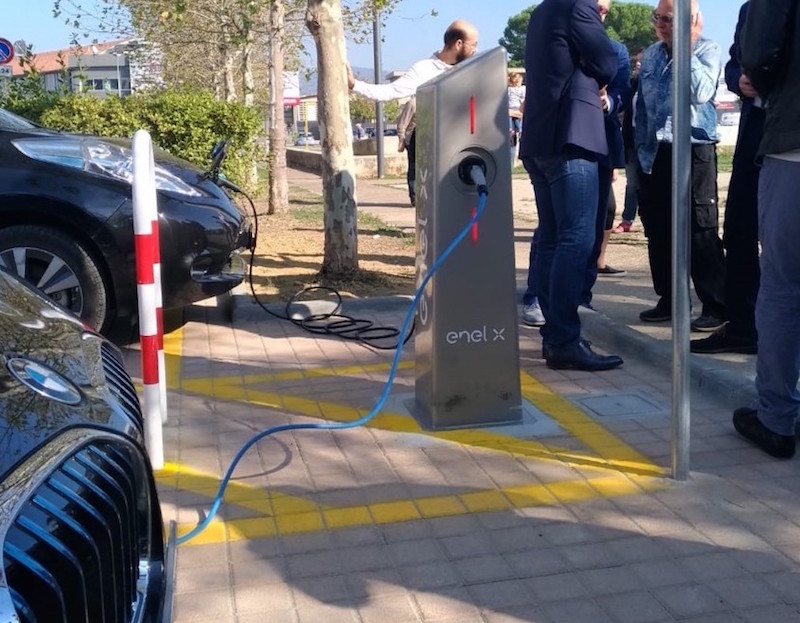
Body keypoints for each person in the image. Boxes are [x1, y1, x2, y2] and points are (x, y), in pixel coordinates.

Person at [519, 0, 623, 371]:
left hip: (540, 140)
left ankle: (555, 337)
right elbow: (607, 63)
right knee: (576, 239)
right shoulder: (578, 6)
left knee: (552, 238)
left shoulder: (544, 10)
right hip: (571, 137)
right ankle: (563, 339)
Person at [634, 0, 727, 332]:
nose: (660, 24)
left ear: (691, 20)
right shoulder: (652, 54)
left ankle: (716, 304)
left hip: (693, 148)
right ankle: (671, 299)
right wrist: (639, 150)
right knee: (658, 228)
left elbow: (701, 92)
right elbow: (643, 106)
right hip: (655, 151)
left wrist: (686, 47)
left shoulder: (707, 49)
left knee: (700, 228)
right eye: (657, 17)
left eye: (669, 19)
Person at [733, 0, 800, 459]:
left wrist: (760, 78)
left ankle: (776, 417)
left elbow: (757, 51)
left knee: (782, 285)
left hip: (793, 143)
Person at [691, 1, 762, 355]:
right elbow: (734, 62)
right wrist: (739, 80)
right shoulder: (751, 9)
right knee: (738, 231)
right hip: (754, 136)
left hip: (792, 137)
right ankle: (744, 327)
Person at [583, 0, 630, 309]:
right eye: (597, 6)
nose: (601, 12)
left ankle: (582, 299)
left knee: (597, 221)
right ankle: (539, 296)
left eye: (605, 9)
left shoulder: (617, 50)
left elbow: (622, 92)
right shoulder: (560, 40)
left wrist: (608, 102)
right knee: (560, 229)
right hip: (562, 146)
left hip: (601, 145)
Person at [347, 20, 479, 101]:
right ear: (458, 44)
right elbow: (389, 92)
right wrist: (355, 85)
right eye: (473, 45)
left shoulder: (472, 68)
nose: (476, 50)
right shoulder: (424, 70)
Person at [613, 49, 644, 233]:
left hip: (649, 139)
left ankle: (652, 219)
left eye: (642, 61)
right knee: (632, 183)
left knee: (651, 182)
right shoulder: (632, 84)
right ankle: (627, 219)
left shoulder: (657, 82)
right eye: (637, 61)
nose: (638, 64)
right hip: (631, 137)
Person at [396, 96, 417, 207]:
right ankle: (414, 196)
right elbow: (402, 124)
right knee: (413, 167)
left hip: (427, 140)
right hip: (412, 140)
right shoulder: (413, 103)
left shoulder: (433, 100)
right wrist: (401, 140)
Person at [508, 71, 526, 164]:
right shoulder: (512, 90)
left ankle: (516, 131)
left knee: (516, 126)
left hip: (513, 109)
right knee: (516, 127)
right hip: (514, 109)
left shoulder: (510, 90)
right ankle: (516, 131)